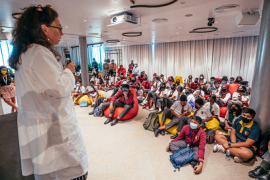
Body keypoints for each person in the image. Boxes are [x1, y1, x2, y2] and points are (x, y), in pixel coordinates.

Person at [9, 5, 88, 179]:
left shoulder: (24, 53)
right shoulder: (39, 53)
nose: (61, 33)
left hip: (39, 127)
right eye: (59, 28)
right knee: (72, 172)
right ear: (44, 29)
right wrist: (68, 70)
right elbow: (59, 88)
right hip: (53, 129)